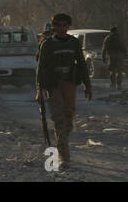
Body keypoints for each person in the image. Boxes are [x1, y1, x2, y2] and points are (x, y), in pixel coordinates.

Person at [36, 13, 92, 170]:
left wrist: (88, 86)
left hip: (69, 84)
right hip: (53, 85)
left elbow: (81, 64)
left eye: (65, 25)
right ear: (54, 27)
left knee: (68, 121)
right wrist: (39, 89)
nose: (62, 29)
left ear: (68, 26)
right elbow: (40, 69)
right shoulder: (47, 44)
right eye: (58, 25)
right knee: (59, 119)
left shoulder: (74, 43)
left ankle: (62, 143)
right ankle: (64, 157)